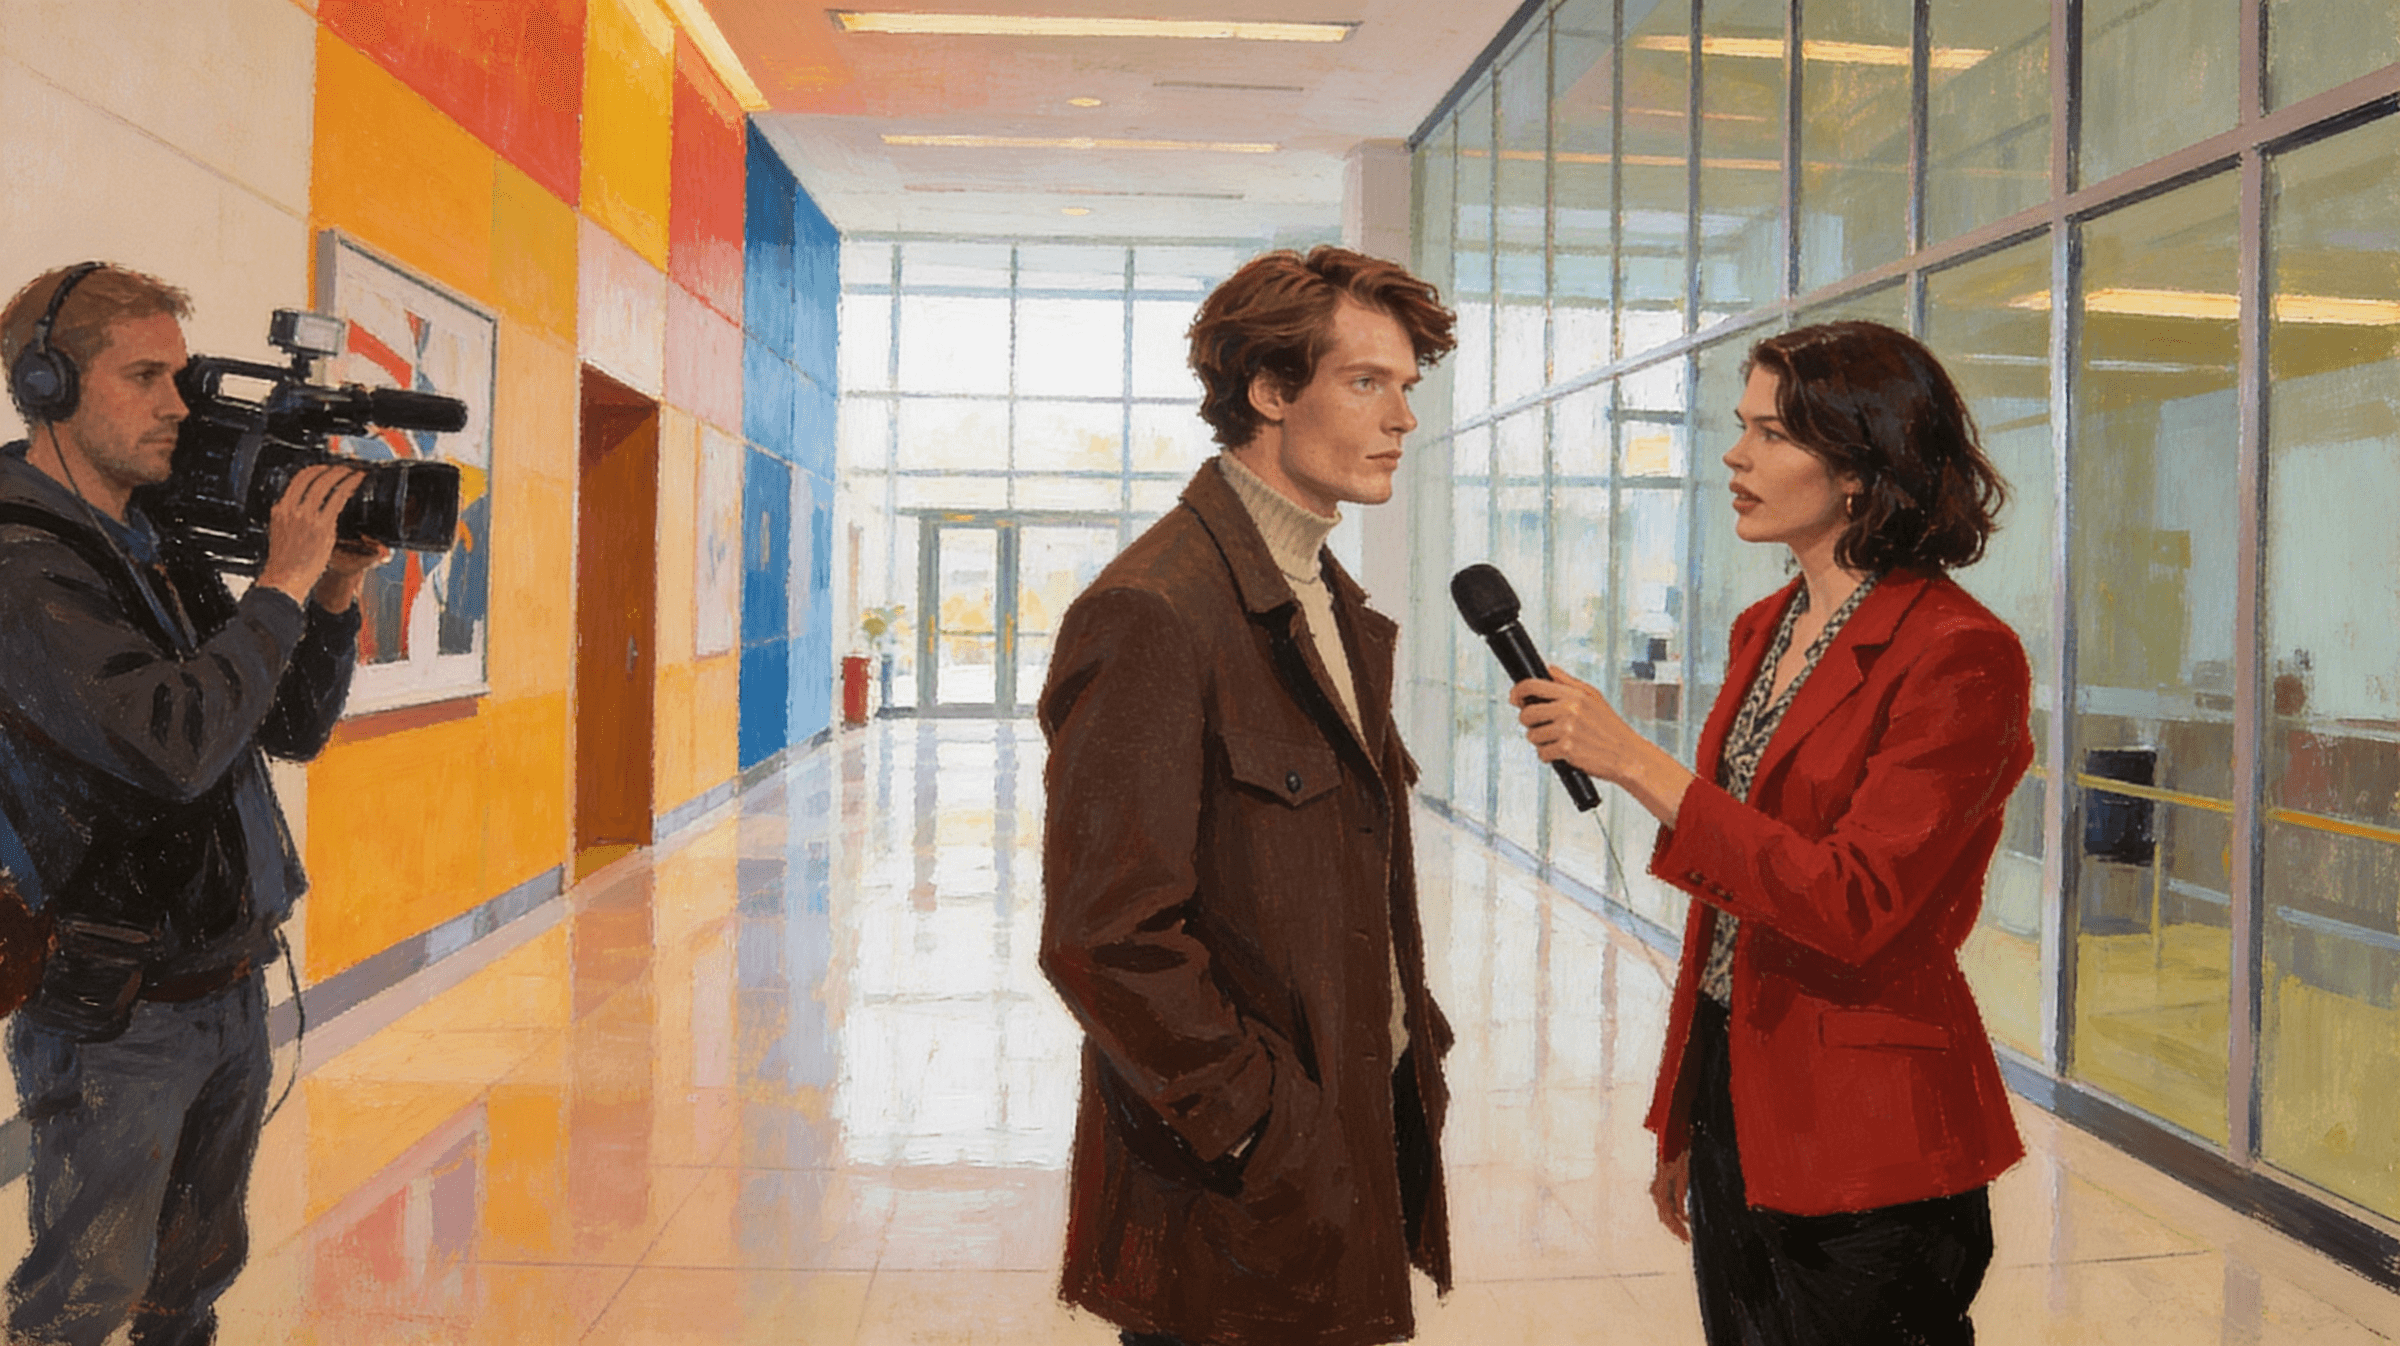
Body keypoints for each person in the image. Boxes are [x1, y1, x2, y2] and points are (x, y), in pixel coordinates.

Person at [1510, 321, 2030, 1345]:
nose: (1736, 458)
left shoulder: (1960, 653)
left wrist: (1638, 762)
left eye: (1773, 433)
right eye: (1739, 427)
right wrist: (1687, 1112)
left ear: (1860, 467)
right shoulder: (1769, 625)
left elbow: (1854, 900)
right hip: (1737, 1091)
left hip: (1872, 1128)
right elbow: (1730, 907)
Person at [1038, 247, 1457, 1346]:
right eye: (1367, 382)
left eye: (1408, 387)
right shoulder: (1155, 610)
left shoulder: (1320, 594)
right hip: (1238, 1189)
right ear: (1270, 392)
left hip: (1340, 1142)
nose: (1402, 418)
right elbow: (1106, 935)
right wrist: (1265, 1129)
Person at [0, 262, 382, 1346]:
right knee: (87, 1297)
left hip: (222, 977)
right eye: (147, 376)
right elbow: (175, 742)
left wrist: (334, 590)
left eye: (181, 375)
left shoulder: (153, 540)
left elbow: (285, 726)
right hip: (116, 1004)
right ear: (50, 384)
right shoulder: (24, 564)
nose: (179, 403)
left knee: (187, 1287)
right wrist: (278, 583)